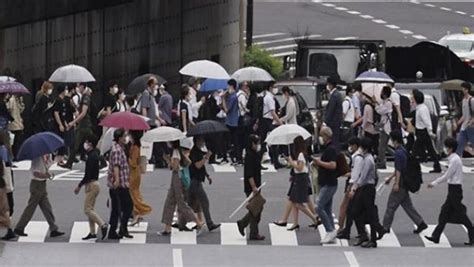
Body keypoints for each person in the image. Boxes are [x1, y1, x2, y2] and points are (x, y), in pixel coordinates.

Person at [425, 138, 474, 246]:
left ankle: (472, 234)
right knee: (444, 213)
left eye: (446, 147)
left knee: (462, 216)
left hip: (455, 190)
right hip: (453, 189)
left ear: (451, 148)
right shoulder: (453, 159)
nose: (445, 149)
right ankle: (436, 236)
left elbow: (447, 176)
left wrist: (434, 183)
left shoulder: (455, 160)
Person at [382, 130, 427, 235]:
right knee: (407, 206)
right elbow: (400, 168)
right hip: (405, 182)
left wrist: (396, 183)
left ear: (394, 140)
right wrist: (390, 178)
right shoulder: (403, 150)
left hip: (401, 183)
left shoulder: (398, 153)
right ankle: (420, 223)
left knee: (391, 206)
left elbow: (399, 170)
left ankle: (385, 227)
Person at [273, 136, 319, 231]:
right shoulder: (301, 154)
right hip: (300, 177)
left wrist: (291, 162)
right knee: (294, 201)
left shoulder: (301, 154)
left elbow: (300, 167)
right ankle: (295, 223)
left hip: (301, 179)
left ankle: (314, 218)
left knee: (298, 203)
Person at [159, 140, 203, 236]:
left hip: (177, 178)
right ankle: (167, 227)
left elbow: (174, 167)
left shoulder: (175, 152)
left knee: (181, 203)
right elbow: (188, 162)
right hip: (178, 178)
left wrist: (167, 160)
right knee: (169, 201)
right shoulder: (179, 151)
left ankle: (198, 222)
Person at [14, 154, 64, 238]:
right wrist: (46, 175)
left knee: (47, 207)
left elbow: (44, 169)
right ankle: (19, 228)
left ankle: (53, 228)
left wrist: (47, 172)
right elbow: (36, 173)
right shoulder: (37, 159)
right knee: (31, 208)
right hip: (37, 185)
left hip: (42, 184)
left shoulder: (43, 157)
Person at [349, 137, 385, 248]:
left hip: (367, 189)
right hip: (365, 188)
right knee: (358, 211)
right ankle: (371, 233)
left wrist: (354, 188)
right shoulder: (367, 158)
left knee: (365, 213)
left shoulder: (368, 160)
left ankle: (373, 238)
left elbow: (363, 177)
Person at [73, 135, 109, 240]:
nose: (85, 144)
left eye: (87, 142)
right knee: (90, 209)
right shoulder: (94, 154)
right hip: (94, 184)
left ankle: (102, 225)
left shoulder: (91, 157)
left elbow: (87, 175)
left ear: (91, 144)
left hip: (92, 184)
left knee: (87, 210)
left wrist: (79, 186)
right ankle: (92, 232)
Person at [187, 136, 220, 232]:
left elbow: (202, 168)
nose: (203, 142)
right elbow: (198, 165)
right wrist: (206, 157)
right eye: (202, 140)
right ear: (197, 141)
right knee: (204, 202)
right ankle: (210, 224)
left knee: (189, 203)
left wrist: (207, 175)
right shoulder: (194, 152)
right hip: (195, 181)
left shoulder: (198, 151)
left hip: (197, 181)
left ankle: (182, 223)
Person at [312, 126, 339, 244]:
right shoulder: (327, 148)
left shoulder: (331, 149)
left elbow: (333, 165)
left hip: (329, 183)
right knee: (327, 208)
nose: (320, 138)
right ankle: (332, 231)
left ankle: (329, 230)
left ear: (326, 136)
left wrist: (319, 162)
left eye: (321, 135)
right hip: (326, 182)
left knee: (318, 206)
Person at [237, 134, 265, 240]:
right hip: (252, 187)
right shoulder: (249, 155)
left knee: (256, 207)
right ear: (252, 143)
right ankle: (252, 231)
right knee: (256, 209)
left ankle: (244, 224)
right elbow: (249, 174)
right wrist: (253, 187)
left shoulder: (254, 154)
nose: (258, 145)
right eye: (256, 143)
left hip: (257, 185)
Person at [107, 128, 133, 239]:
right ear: (119, 138)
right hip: (119, 184)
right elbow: (116, 166)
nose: (125, 138)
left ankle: (121, 229)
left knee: (120, 208)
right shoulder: (117, 150)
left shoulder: (121, 148)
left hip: (122, 183)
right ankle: (117, 230)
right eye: (124, 136)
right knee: (125, 207)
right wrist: (117, 180)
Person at [61, 87, 95, 169]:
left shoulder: (86, 97)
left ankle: (69, 163)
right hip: (83, 124)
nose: (77, 88)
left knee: (88, 143)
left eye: (79, 85)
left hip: (85, 125)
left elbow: (83, 113)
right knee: (77, 143)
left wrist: (73, 122)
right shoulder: (83, 96)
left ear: (83, 86)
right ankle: (69, 163)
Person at [337, 137, 362, 240]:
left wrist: (343, 174)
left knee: (345, 207)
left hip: (353, 184)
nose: (350, 147)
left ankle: (341, 228)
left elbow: (355, 174)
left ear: (355, 145)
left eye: (351, 145)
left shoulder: (357, 157)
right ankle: (356, 230)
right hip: (355, 185)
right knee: (352, 209)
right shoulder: (358, 155)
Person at [412, 89, 441, 173]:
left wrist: (430, 131)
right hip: (421, 132)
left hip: (422, 132)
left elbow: (427, 121)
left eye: (413, 97)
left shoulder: (421, 109)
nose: (412, 99)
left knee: (415, 150)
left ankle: (410, 166)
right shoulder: (421, 108)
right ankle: (437, 166)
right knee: (430, 150)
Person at [128, 130, 152, 226]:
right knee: (135, 193)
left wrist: (126, 158)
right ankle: (137, 212)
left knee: (131, 194)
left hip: (133, 173)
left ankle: (136, 213)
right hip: (136, 173)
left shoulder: (135, 147)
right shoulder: (137, 146)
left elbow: (133, 163)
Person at [260, 81, 283, 168]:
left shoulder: (267, 96)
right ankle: (274, 161)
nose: (276, 89)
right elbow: (272, 112)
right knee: (271, 141)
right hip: (267, 121)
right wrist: (280, 123)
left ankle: (275, 160)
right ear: (270, 87)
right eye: (274, 87)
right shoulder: (269, 98)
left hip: (266, 121)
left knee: (270, 141)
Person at [222, 79, 241, 165]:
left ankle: (235, 157)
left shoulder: (233, 97)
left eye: (228, 86)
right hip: (232, 121)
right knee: (233, 140)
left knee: (231, 140)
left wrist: (222, 99)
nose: (227, 88)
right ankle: (233, 157)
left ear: (231, 86)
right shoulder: (232, 96)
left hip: (231, 121)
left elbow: (226, 109)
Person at [374, 86, 393, 169]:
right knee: (384, 146)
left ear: (385, 94)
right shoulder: (384, 102)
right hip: (384, 126)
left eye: (382, 92)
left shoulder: (388, 103)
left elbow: (379, 110)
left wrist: (375, 104)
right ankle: (397, 154)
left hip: (386, 127)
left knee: (382, 146)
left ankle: (382, 162)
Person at [53, 86, 72, 165]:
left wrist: (65, 123)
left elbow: (63, 114)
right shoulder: (58, 100)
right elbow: (56, 113)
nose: (67, 91)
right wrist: (60, 124)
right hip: (58, 125)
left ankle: (61, 158)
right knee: (60, 141)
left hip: (63, 123)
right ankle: (58, 159)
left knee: (63, 141)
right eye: (66, 89)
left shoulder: (64, 100)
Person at [455, 82, 474, 156]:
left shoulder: (472, 100)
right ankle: (456, 160)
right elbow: (464, 115)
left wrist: (472, 121)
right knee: (459, 143)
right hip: (464, 126)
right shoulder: (463, 100)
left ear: (467, 90)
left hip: (471, 127)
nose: (462, 90)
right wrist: (458, 123)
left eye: (463, 88)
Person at [324, 77, 343, 151]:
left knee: (334, 140)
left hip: (334, 122)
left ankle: (335, 155)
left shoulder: (335, 95)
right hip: (336, 122)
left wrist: (325, 121)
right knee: (335, 139)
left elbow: (331, 110)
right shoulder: (336, 94)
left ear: (331, 85)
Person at [0, 157, 16, 241]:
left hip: (4, 187)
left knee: (4, 210)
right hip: (6, 187)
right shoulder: (6, 157)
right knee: (6, 210)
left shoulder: (3, 158)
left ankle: (9, 230)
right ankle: (9, 230)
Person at [6, 95, 25, 161]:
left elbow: (21, 110)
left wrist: (21, 103)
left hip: (18, 122)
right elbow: (9, 109)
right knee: (14, 141)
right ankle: (14, 156)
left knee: (18, 140)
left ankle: (17, 155)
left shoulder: (18, 100)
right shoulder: (11, 100)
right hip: (14, 123)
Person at [237, 81, 251, 159]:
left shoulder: (240, 94)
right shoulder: (242, 95)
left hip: (240, 118)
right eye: (246, 86)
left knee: (241, 138)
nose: (247, 88)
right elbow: (245, 108)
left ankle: (240, 154)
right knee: (243, 138)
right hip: (243, 118)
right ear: (242, 87)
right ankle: (241, 155)